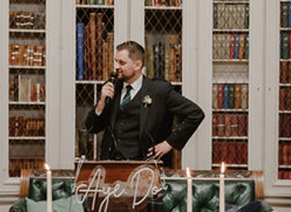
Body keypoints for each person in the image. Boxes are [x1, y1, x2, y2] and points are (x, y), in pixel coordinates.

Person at [83, 40, 204, 169]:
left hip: (146, 166)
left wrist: (169, 144)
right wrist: (101, 103)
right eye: (116, 61)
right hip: (112, 166)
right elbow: (92, 128)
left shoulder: (159, 90)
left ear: (137, 65)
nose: (116, 67)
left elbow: (195, 114)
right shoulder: (112, 87)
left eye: (122, 63)